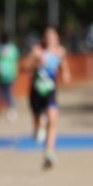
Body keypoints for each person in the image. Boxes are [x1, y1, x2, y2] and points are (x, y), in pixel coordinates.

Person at [25, 27, 70, 169]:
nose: (51, 40)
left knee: (52, 119)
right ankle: (38, 128)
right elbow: (23, 67)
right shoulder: (36, 51)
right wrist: (35, 63)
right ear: (44, 39)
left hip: (50, 90)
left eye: (53, 37)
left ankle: (49, 152)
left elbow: (64, 68)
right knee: (38, 127)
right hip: (36, 91)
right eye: (48, 37)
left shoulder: (60, 52)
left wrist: (66, 74)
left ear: (57, 39)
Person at [0, 32, 19, 121]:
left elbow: (15, 61)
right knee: (2, 94)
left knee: (9, 93)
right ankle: (1, 110)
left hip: (9, 74)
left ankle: (11, 110)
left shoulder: (12, 48)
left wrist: (15, 74)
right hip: (1, 75)